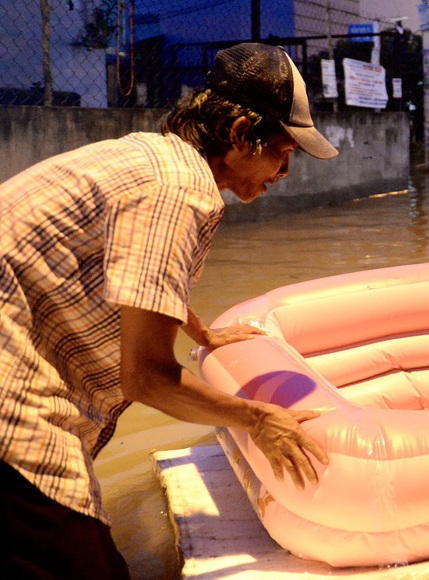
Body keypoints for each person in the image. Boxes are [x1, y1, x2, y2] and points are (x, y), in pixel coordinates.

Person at [0, 42, 338, 579]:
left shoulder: (154, 159)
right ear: (239, 134)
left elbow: (141, 273)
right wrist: (258, 419)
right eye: (282, 152)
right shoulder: (180, 194)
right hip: (13, 401)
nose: (286, 172)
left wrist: (202, 333)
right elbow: (146, 379)